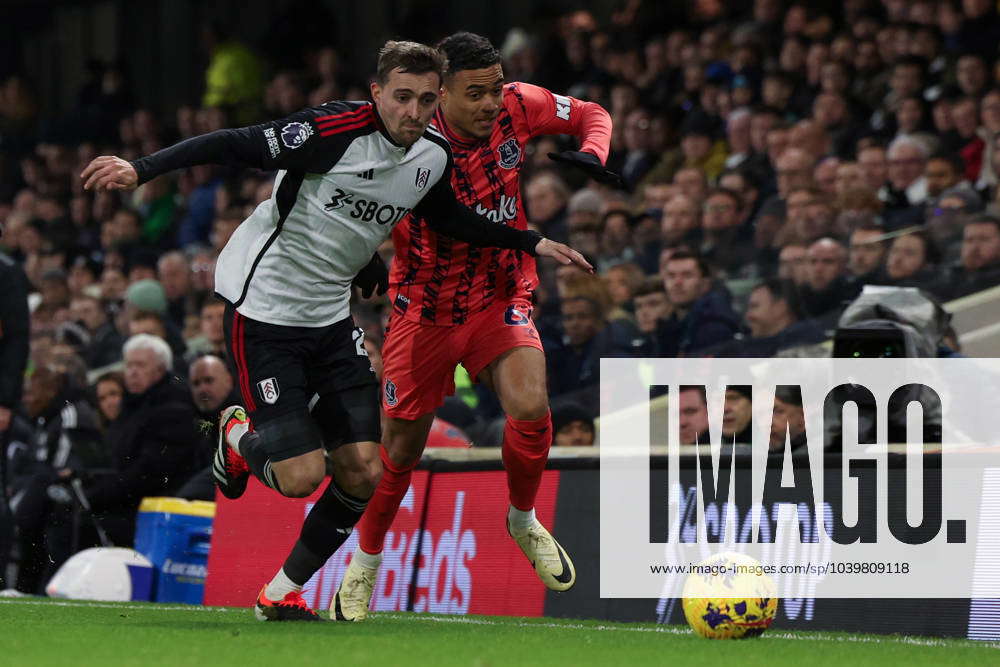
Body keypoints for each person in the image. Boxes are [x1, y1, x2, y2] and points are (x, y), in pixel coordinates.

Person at [81, 40, 590, 622]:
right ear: (378, 93)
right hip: (264, 310)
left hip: (329, 316)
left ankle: (279, 592)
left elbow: (446, 218)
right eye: (402, 97)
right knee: (301, 478)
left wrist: (532, 242)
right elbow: (229, 143)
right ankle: (237, 437)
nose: (414, 111)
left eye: (425, 100)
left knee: (365, 471)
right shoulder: (330, 130)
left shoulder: (430, 157)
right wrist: (140, 169)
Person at [339, 32, 616, 621]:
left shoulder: (517, 104)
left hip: (499, 295)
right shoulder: (408, 141)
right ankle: (364, 562)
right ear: (440, 95)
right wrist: (360, 255)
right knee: (400, 453)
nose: (492, 102)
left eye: (494, 88)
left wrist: (594, 152)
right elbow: (349, 198)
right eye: (475, 93)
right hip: (424, 310)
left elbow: (593, 113)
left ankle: (522, 518)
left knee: (531, 407)